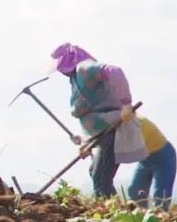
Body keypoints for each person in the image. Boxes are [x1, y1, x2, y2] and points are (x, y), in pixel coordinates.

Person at [50, 43, 146, 197]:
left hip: (113, 129)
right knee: (96, 173)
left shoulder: (85, 68)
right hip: (102, 134)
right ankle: (116, 210)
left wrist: (126, 104)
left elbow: (115, 71)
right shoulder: (76, 79)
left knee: (101, 179)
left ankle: (114, 215)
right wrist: (85, 143)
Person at [128, 116, 177, 211]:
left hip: (163, 158)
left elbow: (134, 149)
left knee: (161, 199)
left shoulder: (140, 123)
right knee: (135, 195)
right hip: (144, 160)